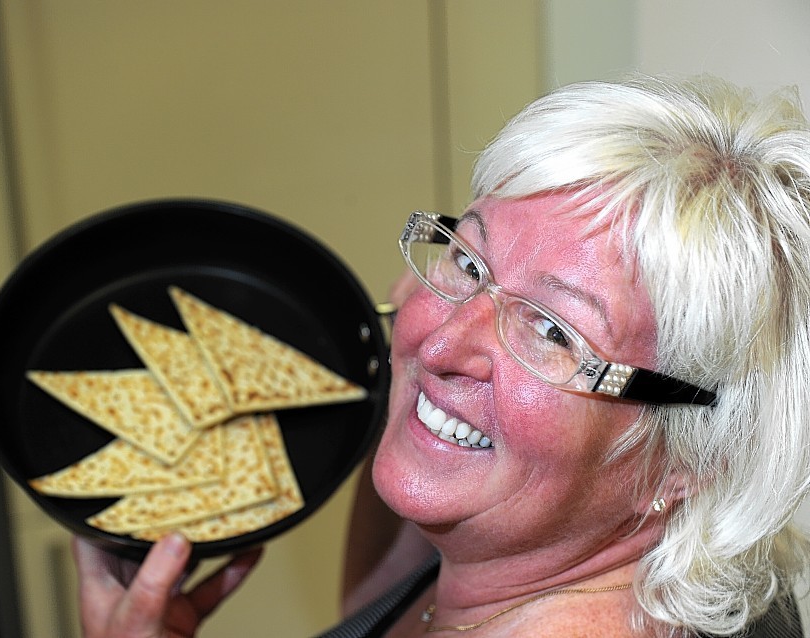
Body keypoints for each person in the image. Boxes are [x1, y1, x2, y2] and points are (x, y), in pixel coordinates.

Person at [72, 74, 810, 637]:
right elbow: (374, 612)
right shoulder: (510, 547)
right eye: (468, 261)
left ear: (691, 461)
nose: (441, 340)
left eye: (554, 332)